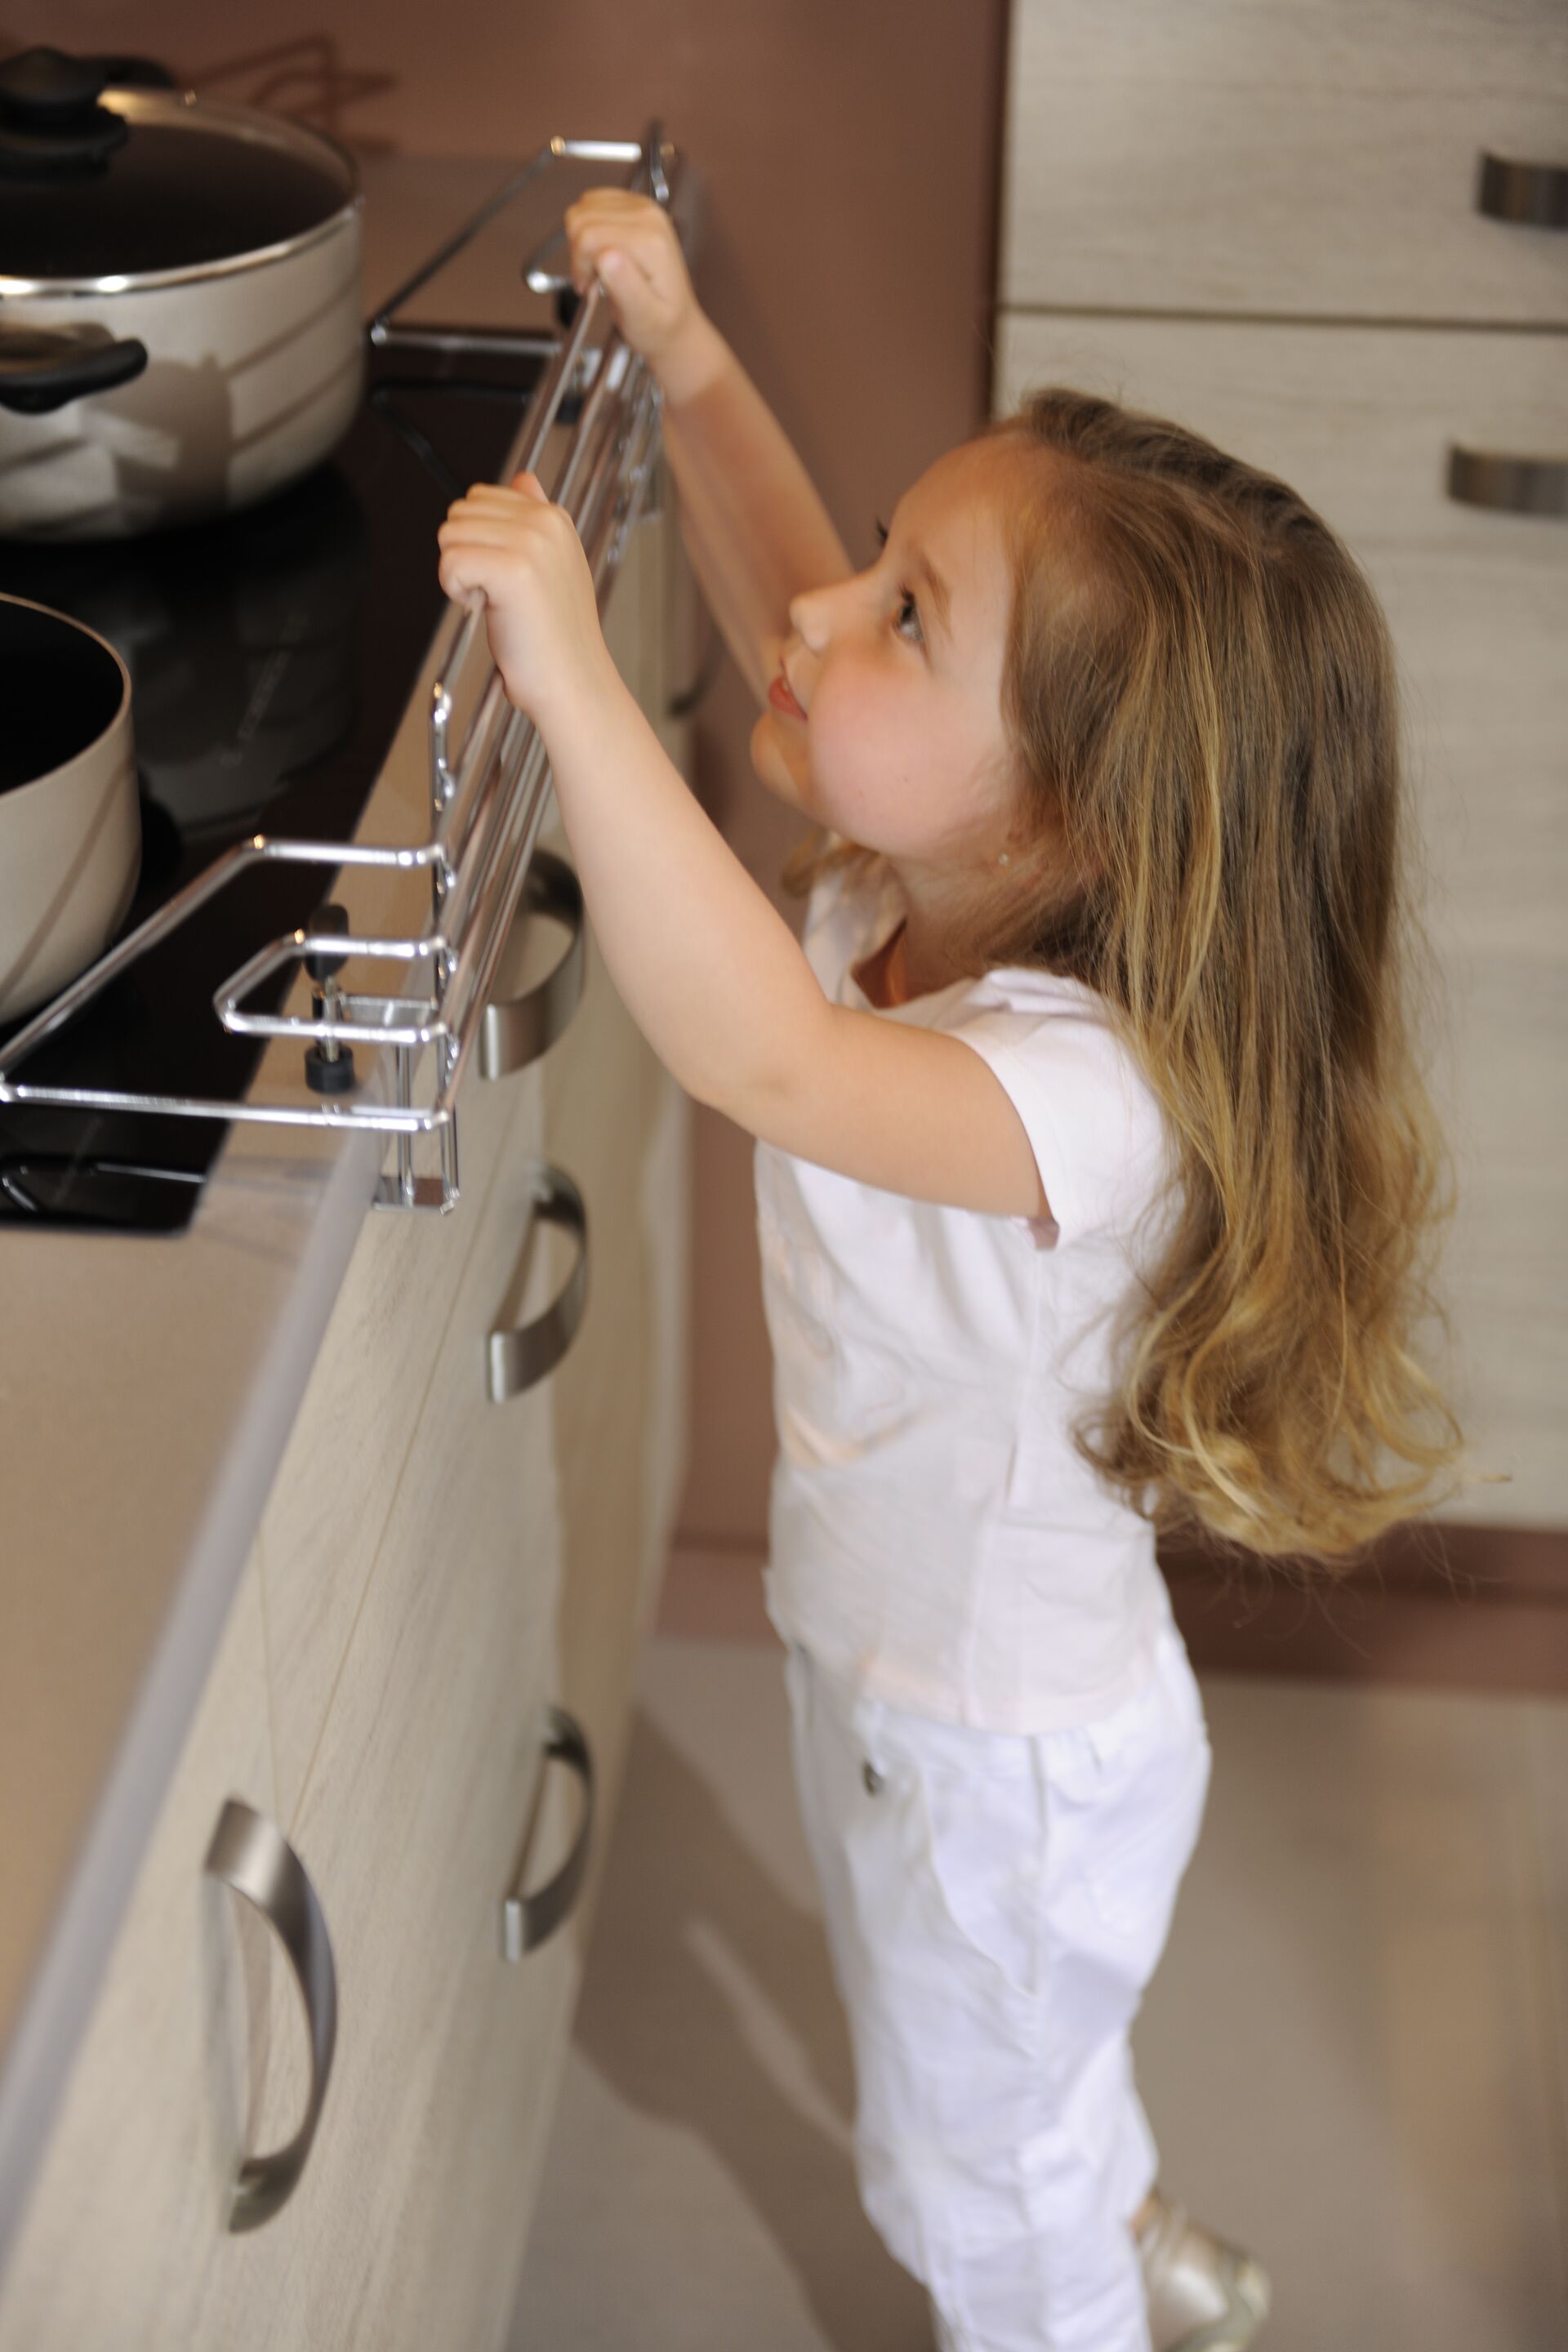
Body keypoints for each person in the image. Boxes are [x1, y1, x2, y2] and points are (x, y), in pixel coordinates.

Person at [436, 185, 1468, 2352]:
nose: (823, 608)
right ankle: (1137, 2236)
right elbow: (790, 606)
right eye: (884, 564)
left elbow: (762, 1057)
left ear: (1068, 815)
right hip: (908, 1670)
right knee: (1009, 2069)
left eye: (912, 612)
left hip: (992, 1748)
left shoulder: (1080, 1088)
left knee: (957, 2165)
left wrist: (570, 672)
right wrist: (698, 362)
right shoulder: (935, 881)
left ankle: (1077, 2291)